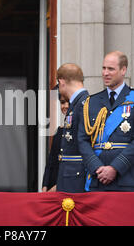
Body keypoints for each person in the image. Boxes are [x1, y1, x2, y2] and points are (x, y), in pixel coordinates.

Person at [78, 51, 134, 192]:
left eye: (111, 69)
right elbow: (82, 140)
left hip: (127, 179)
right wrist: (97, 167)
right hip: (97, 179)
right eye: (103, 68)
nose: (105, 73)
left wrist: (115, 168)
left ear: (123, 70)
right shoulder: (91, 102)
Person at [55, 63, 89, 193]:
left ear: (61, 82)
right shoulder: (78, 103)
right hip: (70, 176)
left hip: (77, 179)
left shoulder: (83, 104)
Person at [42, 86, 70, 192]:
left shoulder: (80, 130)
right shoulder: (59, 131)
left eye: (69, 102)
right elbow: (51, 162)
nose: (66, 106)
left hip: (67, 188)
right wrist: (45, 186)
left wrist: (58, 187)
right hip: (51, 189)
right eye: (62, 102)